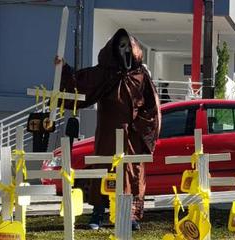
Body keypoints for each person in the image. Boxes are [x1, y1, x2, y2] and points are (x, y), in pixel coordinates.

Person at [56, 29, 161, 231]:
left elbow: (152, 107)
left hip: (131, 136)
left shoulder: (141, 76)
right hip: (108, 133)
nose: (125, 49)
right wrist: (65, 69)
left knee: (131, 173)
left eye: (128, 45)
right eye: (121, 45)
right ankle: (98, 213)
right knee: (103, 170)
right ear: (114, 49)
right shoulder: (104, 74)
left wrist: (140, 125)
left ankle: (130, 215)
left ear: (135, 49)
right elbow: (81, 84)